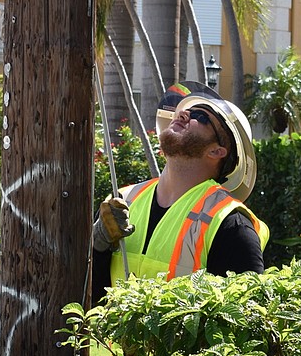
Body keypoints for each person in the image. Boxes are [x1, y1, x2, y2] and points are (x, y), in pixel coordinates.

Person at [92, 82, 268, 305]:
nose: (183, 114)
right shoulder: (123, 201)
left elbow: (245, 321)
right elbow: (86, 296)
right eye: (186, 110)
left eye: (201, 117)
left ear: (217, 151)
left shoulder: (231, 225)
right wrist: (97, 247)